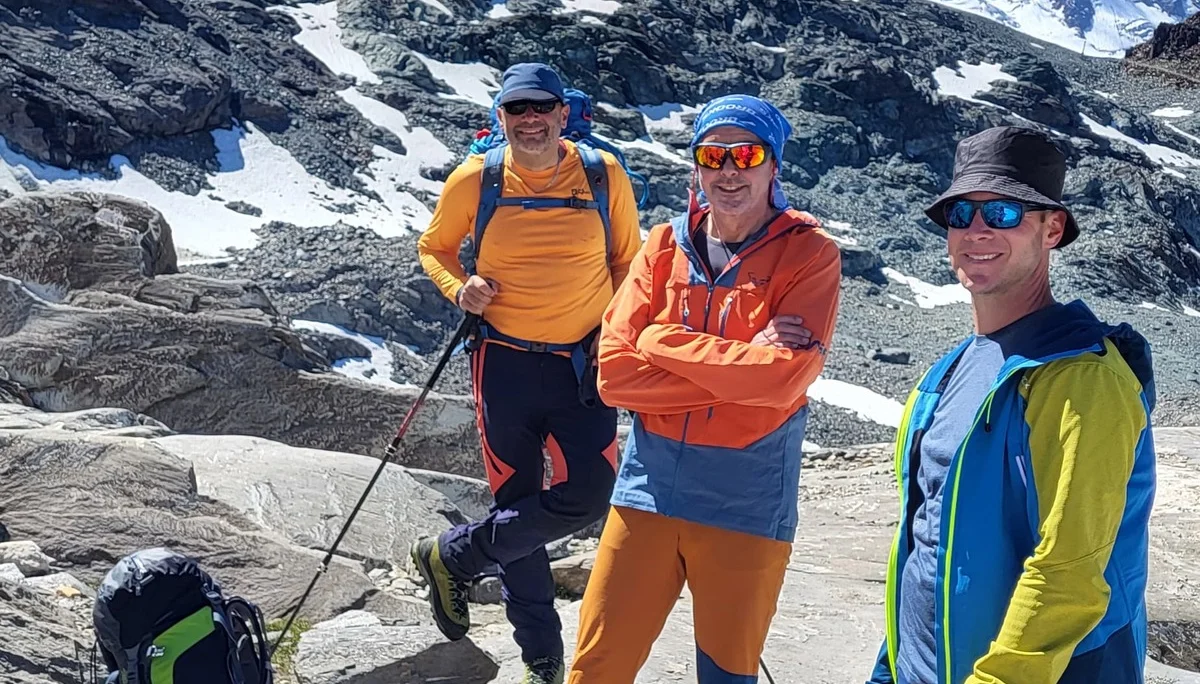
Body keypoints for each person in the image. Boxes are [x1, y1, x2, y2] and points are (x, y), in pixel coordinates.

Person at [865, 125, 1157, 684]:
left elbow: (1068, 572)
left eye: (1002, 212)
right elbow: (924, 541)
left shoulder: (1083, 379)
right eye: (961, 214)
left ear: (1052, 229)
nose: (977, 230)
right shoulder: (947, 372)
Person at [567, 94, 843, 683]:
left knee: (726, 675)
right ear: (696, 166)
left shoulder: (810, 253)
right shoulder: (663, 245)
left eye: (747, 155)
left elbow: (785, 378)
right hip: (647, 491)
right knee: (595, 668)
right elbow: (614, 375)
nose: (729, 171)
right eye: (713, 156)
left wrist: (659, 340)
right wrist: (742, 370)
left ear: (774, 165)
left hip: (745, 502)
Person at [411, 62, 643, 684]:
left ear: (564, 114)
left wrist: (616, 334)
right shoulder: (476, 179)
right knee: (517, 507)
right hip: (504, 364)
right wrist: (460, 288)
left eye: (543, 107)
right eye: (518, 109)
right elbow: (434, 248)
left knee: (588, 494)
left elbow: (628, 261)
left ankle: (452, 555)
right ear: (502, 117)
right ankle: (542, 658)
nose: (531, 119)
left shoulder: (602, 173)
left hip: (582, 366)